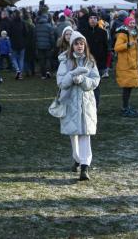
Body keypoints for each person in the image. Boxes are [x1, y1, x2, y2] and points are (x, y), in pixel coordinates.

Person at [56, 31, 100, 182]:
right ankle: (77, 158)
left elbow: (95, 81)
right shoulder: (65, 62)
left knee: (85, 134)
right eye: (76, 43)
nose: (79, 46)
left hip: (86, 103)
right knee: (73, 134)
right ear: (72, 45)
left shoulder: (90, 61)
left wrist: (82, 80)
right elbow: (61, 82)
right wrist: (72, 76)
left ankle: (85, 167)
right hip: (70, 104)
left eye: (82, 43)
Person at [114, 16, 138, 117]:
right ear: (126, 24)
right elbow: (117, 48)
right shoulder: (123, 34)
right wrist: (127, 45)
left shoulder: (134, 34)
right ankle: (124, 108)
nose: (132, 25)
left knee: (129, 87)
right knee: (126, 88)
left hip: (131, 65)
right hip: (125, 66)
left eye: (133, 23)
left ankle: (126, 106)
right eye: (130, 23)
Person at [81, 13, 109, 107]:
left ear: (98, 20)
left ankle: (95, 106)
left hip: (99, 63)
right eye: (91, 18)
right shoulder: (83, 32)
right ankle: (86, 106)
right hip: (85, 63)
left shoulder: (103, 32)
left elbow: (106, 49)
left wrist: (105, 64)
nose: (93, 20)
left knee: (96, 86)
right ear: (88, 20)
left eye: (95, 18)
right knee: (85, 85)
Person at [35, 12, 56, 79]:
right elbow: (52, 37)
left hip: (39, 46)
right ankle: (48, 72)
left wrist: (36, 44)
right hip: (48, 46)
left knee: (42, 60)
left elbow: (35, 37)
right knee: (48, 59)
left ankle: (43, 75)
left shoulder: (37, 26)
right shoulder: (49, 26)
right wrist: (53, 46)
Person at [8, 10, 27, 80]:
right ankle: (20, 74)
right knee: (21, 59)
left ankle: (17, 70)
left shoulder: (11, 23)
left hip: (14, 43)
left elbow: (9, 33)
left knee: (13, 58)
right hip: (22, 43)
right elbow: (25, 33)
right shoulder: (23, 23)